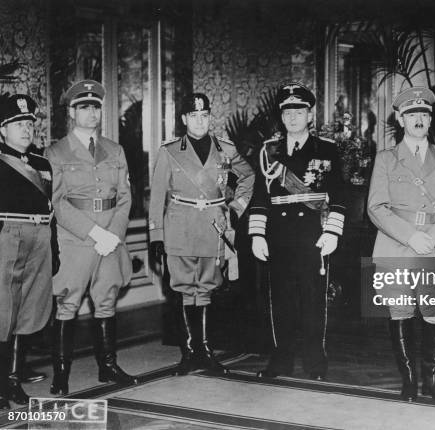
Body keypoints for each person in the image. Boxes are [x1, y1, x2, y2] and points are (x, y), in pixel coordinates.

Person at [367, 87, 435, 403]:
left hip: (434, 246)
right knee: (400, 312)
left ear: (430, 117)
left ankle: (431, 382)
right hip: (397, 245)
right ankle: (408, 381)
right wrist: (411, 236)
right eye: (412, 114)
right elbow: (376, 207)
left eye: (424, 113)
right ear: (400, 118)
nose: (419, 119)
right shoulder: (385, 159)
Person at [149, 93, 254, 375]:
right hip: (179, 225)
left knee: (207, 286)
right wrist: (156, 235)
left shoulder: (225, 149)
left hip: (213, 224)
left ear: (210, 117)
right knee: (184, 287)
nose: (199, 121)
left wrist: (235, 208)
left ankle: (205, 350)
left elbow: (249, 176)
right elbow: (157, 194)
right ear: (184, 119)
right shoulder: (170, 151)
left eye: (204, 115)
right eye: (193, 116)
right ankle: (188, 351)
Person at [249, 82, 346, 381]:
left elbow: (339, 196)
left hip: (312, 236)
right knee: (280, 301)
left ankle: (316, 362)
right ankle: (281, 361)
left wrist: (332, 232)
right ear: (281, 116)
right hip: (279, 236)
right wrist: (257, 234)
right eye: (287, 111)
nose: (293, 117)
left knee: (313, 302)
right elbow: (259, 197)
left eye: (299, 110)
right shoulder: (268, 151)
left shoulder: (326, 149)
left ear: (309, 114)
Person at [46, 80, 135, 395]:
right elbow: (57, 202)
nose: (92, 113)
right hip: (76, 238)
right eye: (84, 107)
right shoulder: (56, 152)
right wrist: (94, 231)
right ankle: (61, 374)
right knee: (67, 302)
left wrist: (113, 233)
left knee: (107, 299)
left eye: (95, 106)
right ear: (72, 112)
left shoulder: (115, 149)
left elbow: (124, 196)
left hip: (110, 235)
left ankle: (108, 366)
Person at [0, 94, 58, 409]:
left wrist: (55, 248)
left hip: (40, 235)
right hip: (6, 236)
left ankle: (12, 380)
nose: (26, 129)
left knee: (29, 309)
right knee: (2, 310)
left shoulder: (41, 163)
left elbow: (52, 210)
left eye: (29, 123)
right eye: (17, 124)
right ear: (2, 130)